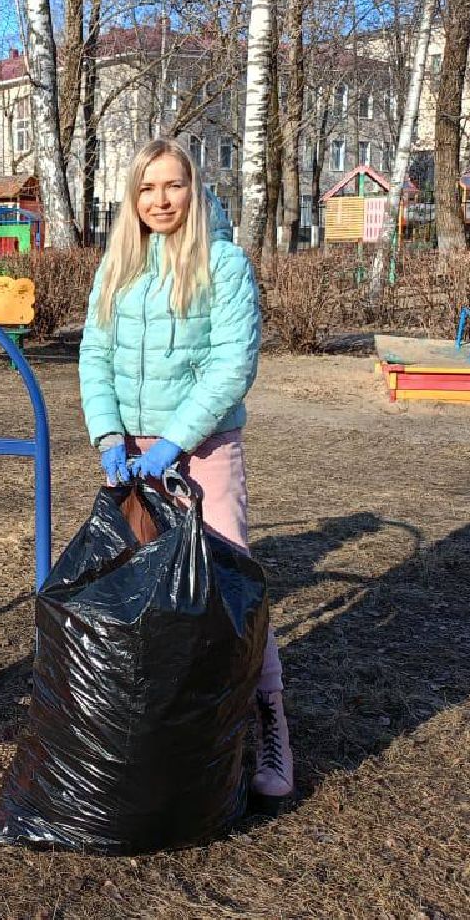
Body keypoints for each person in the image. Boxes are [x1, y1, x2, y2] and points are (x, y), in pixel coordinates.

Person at [76, 138, 294, 809]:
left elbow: (232, 363)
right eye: (147, 188)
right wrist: (110, 436)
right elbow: (95, 355)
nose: (160, 200)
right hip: (133, 456)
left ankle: (269, 720)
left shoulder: (222, 263)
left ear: (194, 190)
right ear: (132, 198)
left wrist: (174, 441)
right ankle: (163, 726)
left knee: (229, 584)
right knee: (145, 589)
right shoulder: (119, 265)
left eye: (173, 185)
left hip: (203, 449)